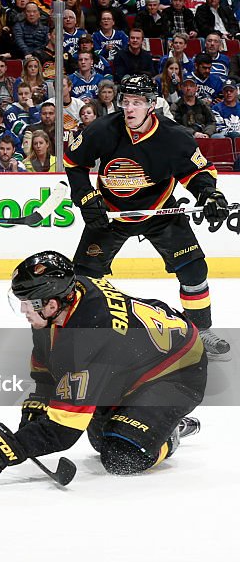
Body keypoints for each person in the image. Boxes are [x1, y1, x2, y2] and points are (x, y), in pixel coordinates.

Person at [0, 251, 205, 486]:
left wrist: (10, 448)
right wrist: (34, 412)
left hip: (177, 370)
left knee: (122, 455)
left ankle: (169, 433)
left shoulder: (87, 338)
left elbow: (64, 431)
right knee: (100, 439)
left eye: (28, 303)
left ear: (51, 304)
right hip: (134, 359)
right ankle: (149, 422)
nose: (23, 309)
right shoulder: (67, 297)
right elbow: (47, 366)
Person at [65, 74, 231, 360]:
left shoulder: (174, 136)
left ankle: (200, 330)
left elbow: (196, 172)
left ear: (151, 105)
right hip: (111, 213)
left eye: (137, 103)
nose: (129, 109)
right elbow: (73, 162)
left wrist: (209, 195)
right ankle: (80, 337)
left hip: (160, 211)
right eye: (125, 102)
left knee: (194, 269)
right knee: (83, 276)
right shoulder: (104, 129)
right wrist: (85, 197)